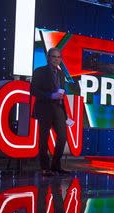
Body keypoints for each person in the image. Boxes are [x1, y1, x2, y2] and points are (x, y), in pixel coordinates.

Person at [31, 47, 69, 176]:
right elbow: (33, 90)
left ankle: (55, 165)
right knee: (44, 138)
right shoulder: (39, 71)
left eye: (58, 57)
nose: (56, 59)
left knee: (63, 137)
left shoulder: (61, 74)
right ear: (48, 58)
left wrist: (65, 113)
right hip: (44, 108)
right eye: (53, 57)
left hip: (58, 109)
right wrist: (50, 95)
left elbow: (62, 92)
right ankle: (45, 168)